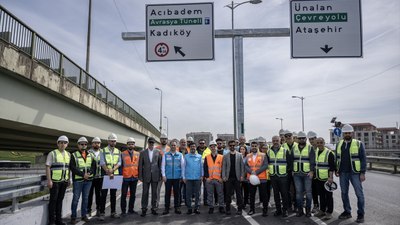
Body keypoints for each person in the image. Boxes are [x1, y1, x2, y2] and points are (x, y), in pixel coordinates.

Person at [335, 124, 366, 223]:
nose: (347, 134)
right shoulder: (339, 144)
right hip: (343, 172)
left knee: (359, 194)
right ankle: (347, 212)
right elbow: (337, 158)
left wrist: (362, 173)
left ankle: (361, 214)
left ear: (352, 133)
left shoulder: (358, 143)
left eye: (349, 133)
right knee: (344, 193)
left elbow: (363, 159)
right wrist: (337, 169)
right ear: (343, 134)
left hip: (355, 172)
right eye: (345, 133)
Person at [70, 137, 96, 224]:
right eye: (82, 144)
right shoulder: (73, 155)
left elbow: (93, 166)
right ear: (78, 145)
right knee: (76, 199)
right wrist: (83, 175)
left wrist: (89, 173)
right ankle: (73, 217)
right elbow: (73, 168)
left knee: (85, 199)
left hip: (88, 180)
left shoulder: (91, 155)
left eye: (85, 144)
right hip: (78, 180)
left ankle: (84, 215)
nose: (83, 146)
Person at [46, 135, 71, 225]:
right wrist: (49, 180)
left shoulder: (68, 154)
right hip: (55, 181)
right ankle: (51, 221)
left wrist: (69, 179)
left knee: (60, 201)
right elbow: (48, 167)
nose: (62, 144)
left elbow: (68, 168)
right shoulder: (52, 153)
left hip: (64, 181)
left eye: (65, 143)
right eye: (61, 142)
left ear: (67, 144)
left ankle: (58, 220)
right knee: (53, 201)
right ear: (57, 144)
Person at [291, 131, 315, 217]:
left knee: (308, 192)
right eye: (300, 138)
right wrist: (292, 170)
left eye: (303, 138)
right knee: (298, 193)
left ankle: (308, 210)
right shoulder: (294, 148)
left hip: (307, 174)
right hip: (297, 174)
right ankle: (300, 210)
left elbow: (312, 161)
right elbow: (292, 159)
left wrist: (312, 171)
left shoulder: (310, 148)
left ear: (305, 139)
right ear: (297, 139)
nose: (301, 139)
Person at [99, 133, 121, 220]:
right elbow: (102, 162)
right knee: (103, 195)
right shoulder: (103, 151)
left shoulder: (118, 151)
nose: (113, 142)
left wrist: (113, 170)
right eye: (112, 141)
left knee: (113, 195)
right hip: (106, 175)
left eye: (114, 141)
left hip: (114, 175)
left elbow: (119, 162)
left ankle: (113, 212)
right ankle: (102, 213)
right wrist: (108, 171)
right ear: (108, 141)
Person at [139, 137, 162, 217]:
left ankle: (154, 208)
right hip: (146, 176)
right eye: (150, 143)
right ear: (148, 143)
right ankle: (144, 209)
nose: (151, 144)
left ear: (154, 143)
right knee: (145, 193)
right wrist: (140, 176)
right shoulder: (142, 152)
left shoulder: (158, 152)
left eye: (152, 143)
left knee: (154, 193)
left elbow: (160, 164)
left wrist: (160, 175)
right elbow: (140, 165)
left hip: (155, 176)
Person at [269, 135, 291, 218]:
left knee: (284, 194)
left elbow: (289, 164)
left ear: (280, 141)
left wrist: (285, 172)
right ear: (272, 141)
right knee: (276, 194)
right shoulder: (269, 151)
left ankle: (285, 210)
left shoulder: (285, 151)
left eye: (276, 140)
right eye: (273, 140)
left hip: (283, 176)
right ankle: (278, 210)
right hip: (273, 176)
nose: (275, 142)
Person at [245, 141, 269, 217]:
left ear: (258, 146)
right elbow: (245, 165)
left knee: (264, 195)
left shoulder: (263, 155)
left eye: (255, 146)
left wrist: (257, 172)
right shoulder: (248, 156)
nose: (254, 147)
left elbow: (265, 165)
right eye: (253, 146)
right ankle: (252, 209)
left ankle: (265, 210)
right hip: (251, 178)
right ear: (251, 147)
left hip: (262, 178)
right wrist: (251, 172)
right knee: (252, 195)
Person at [314, 138, 335, 220]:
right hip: (318, 178)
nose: (319, 144)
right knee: (321, 196)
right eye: (318, 143)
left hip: (327, 179)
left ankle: (329, 212)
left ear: (324, 143)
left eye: (321, 142)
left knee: (329, 196)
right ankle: (322, 210)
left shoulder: (329, 153)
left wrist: (330, 177)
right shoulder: (316, 152)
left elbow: (331, 167)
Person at [161, 140, 184, 215]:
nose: (173, 146)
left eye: (174, 145)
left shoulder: (180, 155)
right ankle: (166, 208)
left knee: (177, 193)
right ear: (170, 146)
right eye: (172, 145)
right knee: (167, 193)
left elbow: (182, 166)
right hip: (168, 177)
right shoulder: (166, 154)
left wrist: (182, 176)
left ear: (176, 146)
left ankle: (177, 207)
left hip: (177, 177)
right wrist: (163, 175)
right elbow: (163, 165)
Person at [222, 140, 245, 215]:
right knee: (228, 194)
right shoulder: (225, 156)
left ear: (235, 146)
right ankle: (228, 209)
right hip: (228, 178)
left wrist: (242, 176)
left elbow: (242, 167)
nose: (232, 146)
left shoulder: (239, 155)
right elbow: (224, 167)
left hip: (237, 178)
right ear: (228, 146)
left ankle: (240, 209)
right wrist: (224, 176)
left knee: (239, 194)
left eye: (233, 145)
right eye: (230, 145)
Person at [203, 141, 225, 214]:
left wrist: (222, 177)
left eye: (214, 146)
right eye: (211, 146)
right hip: (210, 179)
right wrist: (206, 177)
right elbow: (205, 168)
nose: (213, 148)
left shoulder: (221, 157)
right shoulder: (207, 157)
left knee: (220, 193)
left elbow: (223, 168)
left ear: (216, 147)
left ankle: (221, 206)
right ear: (209, 148)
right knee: (210, 194)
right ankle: (211, 207)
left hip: (219, 179)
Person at [120, 137, 140, 216]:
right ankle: (123, 211)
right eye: (129, 144)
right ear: (127, 145)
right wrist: (121, 176)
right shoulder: (123, 154)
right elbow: (121, 166)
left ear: (134, 145)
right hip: (125, 177)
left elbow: (139, 166)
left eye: (132, 144)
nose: (131, 145)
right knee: (124, 195)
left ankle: (131, 209)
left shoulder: (138, 154)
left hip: (134, 177)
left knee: (133, 195)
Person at [183, 142, 203, 214]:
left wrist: (201, 176)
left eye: (194, 146)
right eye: (191, 147)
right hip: (188, 178)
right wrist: (184, 177)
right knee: (188, 194)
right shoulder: (186, 156)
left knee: (198, 194)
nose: (193, 148)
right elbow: (183, 167)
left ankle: (196, 208)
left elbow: (201, 167)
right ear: (189, 148)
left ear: (195, 148)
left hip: (197, 178)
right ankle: (189, 208)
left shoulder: (199, 156)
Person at [87, 137, 102, 218]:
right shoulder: (88, 152)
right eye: (95, 142)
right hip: (91, 177)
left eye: (98, 143)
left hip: (100, 177)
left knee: (98, 194)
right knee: (89, 194)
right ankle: (88, 210)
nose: (97, 144)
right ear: (92, 144)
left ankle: (98, 210)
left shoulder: (102, 152)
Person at [282, 130, 297, 212]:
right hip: (286, 171)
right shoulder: (283, 146)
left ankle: (296, 205)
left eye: (289, 136)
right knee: (286, 189)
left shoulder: (297, 146)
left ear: (292, 137)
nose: (288, 137)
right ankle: (288, 205)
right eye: (286, 136)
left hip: (296, 171)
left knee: (296, 189)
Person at [155, 133, 170, 209]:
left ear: (167, 140)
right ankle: (156, 203)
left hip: (167, 172)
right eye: (162, 139)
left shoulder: (169, 149)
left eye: (165, 139)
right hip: (158, 172)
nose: (164, 140)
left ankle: (167, 204)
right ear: (160, 140)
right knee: (157, 189)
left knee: (168, 189)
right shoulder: (156, 148)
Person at [308, 130, 320, 214]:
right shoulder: (309, 149)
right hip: (313, 173)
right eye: (310, 139)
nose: (312, 141)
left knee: (323, 192)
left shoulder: (322, 147)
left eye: (313, 139)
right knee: (314, 191)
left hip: (323, 173)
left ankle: (324, 207)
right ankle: (316, 205)